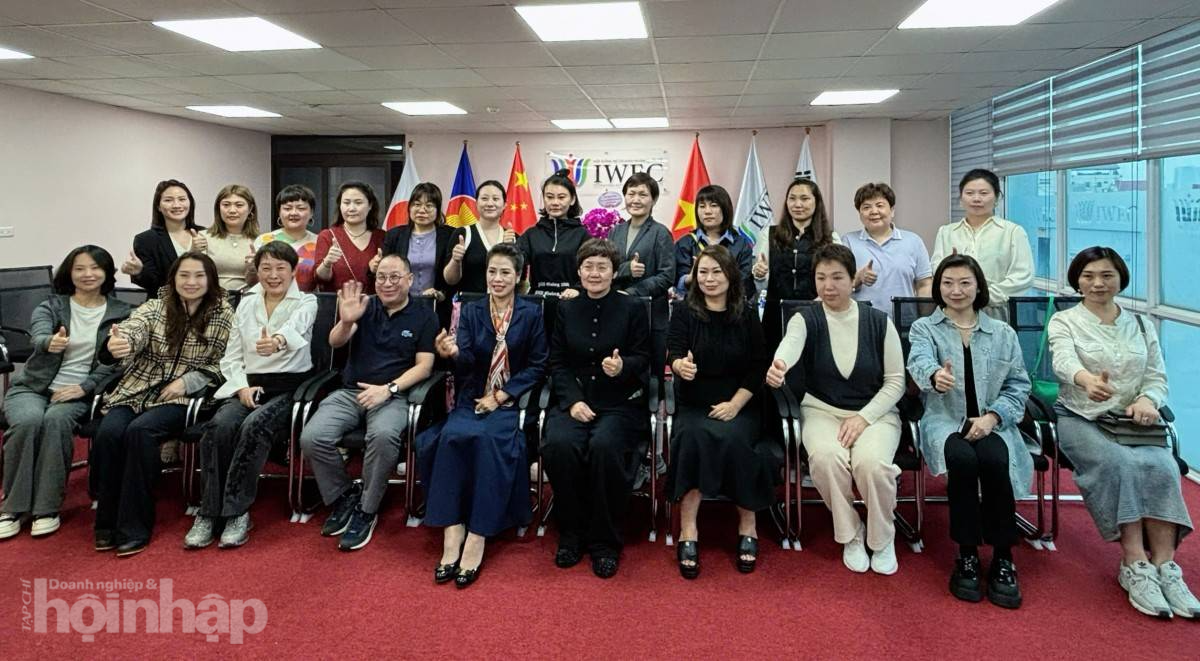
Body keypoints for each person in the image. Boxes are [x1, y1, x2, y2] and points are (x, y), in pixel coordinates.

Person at [1048, 247, 1198, 619]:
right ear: (1077, 281)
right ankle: (1134, 564)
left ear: (1120, 279)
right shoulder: (1064, 322)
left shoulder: (1142, 324)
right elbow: (1063, 360)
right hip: (1081, 417)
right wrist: (1085, 380)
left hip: (1136, 422)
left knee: (1163, 467)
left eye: (1106, 275)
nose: (1097, 283)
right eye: (1088, 276)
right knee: (1120, 465)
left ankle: (1165, 567)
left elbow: (1156, 376)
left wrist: (1148, 399)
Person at [766, 244, 905, 575]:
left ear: (852, 279)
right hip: (821, 410)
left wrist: (864, 418)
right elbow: (790, 343)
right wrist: (780, 364)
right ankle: (851, 532)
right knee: (826, 459)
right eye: (821, 278)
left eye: (837, 277)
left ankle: (882, 536)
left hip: (876, 414)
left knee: (872, 465)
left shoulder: (878, 322)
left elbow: (896, 383)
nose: (828, 286)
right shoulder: (806, 317)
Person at [417, 243, 546, 588]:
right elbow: (468, 360)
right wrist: (454, 352)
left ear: (519, 276)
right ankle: (452, 531)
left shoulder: (532, 313)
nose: (498, 278)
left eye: (506, 272)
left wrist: (502, 396)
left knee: (488, 440)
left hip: (509, 402)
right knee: (450, 437)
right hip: (472, 396)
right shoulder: (473, 311)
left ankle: (477, 535)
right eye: (492, 271)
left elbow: (538, 365)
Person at [907, 254, 1031, 608]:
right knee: (962, 460)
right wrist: (935, 376)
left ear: (978, 286)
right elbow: (918, 361)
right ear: (938, 287)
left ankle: (1004, 556)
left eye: (964, 283)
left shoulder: (1002, 332)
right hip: (946, 420)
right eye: (947, 283)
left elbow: (1019, 385)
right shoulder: (925, 328)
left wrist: (993, 417)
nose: (956, 290)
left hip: (993, 420)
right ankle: (967, 555)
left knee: (994, 459)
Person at [93, 252, 234, 557]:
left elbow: (225, 363)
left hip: (184, 397)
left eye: (199, 275)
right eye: (184, 275)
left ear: (210, 280)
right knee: (108, 432)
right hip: (136, 389)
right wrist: (119, 344)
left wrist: (189, 381)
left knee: (140, 432)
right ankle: (106, 522)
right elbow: (133, 330)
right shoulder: (155, 308)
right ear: (173, 279)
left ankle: (134, 526)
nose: (191, 282)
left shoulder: (223, 314)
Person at [298, 255, 437, 552]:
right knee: (312, 437)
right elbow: (335, 342)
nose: (387, 283)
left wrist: (389, 389)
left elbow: (424, 366)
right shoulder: (364, 305)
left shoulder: (424, 313)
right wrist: (346, 320)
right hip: (351, 391)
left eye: (395, 277)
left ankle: (367, 508)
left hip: (394, 395)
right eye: (382, 277)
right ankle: (343, 494)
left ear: (410, 280)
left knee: (384, 436)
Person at [185, 242, 317, 550]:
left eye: (280, 268)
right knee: (219, 427)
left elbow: (297, 330)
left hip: (289, 388)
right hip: (247, 385)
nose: (273, 275)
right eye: (266, 268)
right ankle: (208, 512)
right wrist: (241, 386)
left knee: (254, 427)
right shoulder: (245, 301)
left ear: (293, 270)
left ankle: (236, 512)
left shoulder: (306, 301)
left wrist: (278, 342)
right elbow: (231, 356)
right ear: (256, 271)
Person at [0, 246, 132, 540]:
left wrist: (83, 388)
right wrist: (50, 343)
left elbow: (114, 365)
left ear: (107, 273)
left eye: (95, 268)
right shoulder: (51, 306)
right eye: (80, 268)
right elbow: (39, 334)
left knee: (56, 422)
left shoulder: (122, 313)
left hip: (80, 391)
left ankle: (46, 508)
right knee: (28, 422)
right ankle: (12, 507)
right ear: (69, 273)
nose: (88, 274)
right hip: (33, 387)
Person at [542, 239, 650, 579]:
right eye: (588, 266)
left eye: (602, 267)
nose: (595, 273)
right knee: (559, 445)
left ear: (613, 271)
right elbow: (557, 361)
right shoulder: (567, 308)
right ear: (579, 271)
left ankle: (605, 541)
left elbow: (645, 358)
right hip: (574, 401)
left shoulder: (632, 307)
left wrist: (623, 367)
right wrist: (573, 401)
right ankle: (571, 533)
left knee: (605, 447)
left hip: (619, 403)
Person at [667, 245, 774, 579]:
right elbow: (672, 352)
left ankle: (748, 523)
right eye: (703, 272)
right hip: (695, 402)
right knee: (691, 436)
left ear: (730, 276)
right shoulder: (684, 311)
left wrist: (735, 404)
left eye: (716, 272)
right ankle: (688, 530)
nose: (709, 279)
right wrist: (679, 365)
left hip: (739, 402)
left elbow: (758, 366)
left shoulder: (745, 313)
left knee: (736, 440)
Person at [930, 169, 1034, 321]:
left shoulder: (1012, 232)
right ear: (961, 199)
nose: (976, 199)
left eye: (984, 193)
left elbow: (1023, 277)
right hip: (953, 310)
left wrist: (982, 297)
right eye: (970, 193)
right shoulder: (946, 232)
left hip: (996, 313)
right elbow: (937, 270)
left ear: (997, 197)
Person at [753, 178, 839, 351]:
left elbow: (837, 279)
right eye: (792, 198)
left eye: (804, 198)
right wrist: (759, 274)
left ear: (816, 202)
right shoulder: (769, 234)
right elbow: (760, 286)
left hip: (816, 314)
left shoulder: (831, 238)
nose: (797, 204)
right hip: (776, 317)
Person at [609, 172, 674, 378]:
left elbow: (667, 276)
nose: (636, 199)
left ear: (653, 199)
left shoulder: (660, 232)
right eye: (631, 193)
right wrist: (626, 269)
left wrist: (633, 292)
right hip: (619, 310)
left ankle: (656, 409)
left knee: (652, 374)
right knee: (624, 367)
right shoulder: (615, 231)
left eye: (643, 195)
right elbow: (605, 270)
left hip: (651, 313)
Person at [840, 182, 932, 317]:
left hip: (903, 323)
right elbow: (839, 285)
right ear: (859, 213)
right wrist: (858, 279)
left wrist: (924, 321)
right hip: (861, 322)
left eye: (880, 205)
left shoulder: (913, 241)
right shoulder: (848, 241)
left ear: (892, 210)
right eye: (866, 207)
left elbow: (924, 284)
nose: (874, 211)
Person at [372, 182, 456, 327]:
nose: (422, 210)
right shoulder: (394, 235)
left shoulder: (449, 235)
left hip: (436, 308)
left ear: (437, 210)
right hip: (399, 307)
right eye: (417, 204)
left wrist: (441, 293)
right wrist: (375, 267)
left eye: (429, 206)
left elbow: (455, 275)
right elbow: (382, 272)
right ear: (409, 207)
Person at [120, 179, 207, 298]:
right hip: (164, 308)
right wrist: (140, 271)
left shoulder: (204, 234)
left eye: (182, 199)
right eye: (168, 200)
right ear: (158, 207)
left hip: (202, 305)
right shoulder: (146, 240)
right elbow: (155, 284)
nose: (177, 205)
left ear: (190, 203)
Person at [674, 184, 755, 303]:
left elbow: (745, 281)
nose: (707, 211)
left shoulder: (740, 244)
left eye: (714, 206)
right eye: (702, 206)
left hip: (731, 309)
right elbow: (677, 283)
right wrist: (690, 278)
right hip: (694, 308)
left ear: (725, 209)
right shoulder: (685, 243)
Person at [516, 169, 588, 299]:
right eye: (549, 197)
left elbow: (591, 269)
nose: (555, 202)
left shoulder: (582, 235)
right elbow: (514, 264)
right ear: (543, 198)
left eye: (561, 197)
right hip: (537, 304)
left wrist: (579, 289)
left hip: (571, 303)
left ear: (572, 200)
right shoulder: (531, 234)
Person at [443, 180, 516, 295]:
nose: (490, 204)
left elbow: (521, 282)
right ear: (476, 203)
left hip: (504, 308)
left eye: (495, 199)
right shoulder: (463, 234)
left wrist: (512, 249)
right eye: (484, 198)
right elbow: (450, 280)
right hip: (470, 307)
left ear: (504, 205)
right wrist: (455, 260)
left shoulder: (513, 238)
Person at [314, 181, 385, 295]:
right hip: (337, 307)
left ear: (370, 205)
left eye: (358, 203)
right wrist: (327, 262)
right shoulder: (327, 236)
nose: (351, 208)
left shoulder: (382, 237)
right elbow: (321, 279)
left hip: (374, 306)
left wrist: (378, 269)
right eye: (346, 203)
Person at [255, 184, 320, 292]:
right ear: (279, 212)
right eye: (287, 208)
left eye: (301, 208)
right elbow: (254, 279)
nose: (294, 213)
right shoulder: (264, 240)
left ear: (311, 212)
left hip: (308, 302)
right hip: (269, 302)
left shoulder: (319, 242)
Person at [205, 184, 260, 291]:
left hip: (248, 301)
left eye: (239, 205)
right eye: (226, 205)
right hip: (211, 301)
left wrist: (254, 268)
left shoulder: (261, 240)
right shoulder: (203, 238)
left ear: (250, 209)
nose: (232, 210)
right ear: (218, 208)